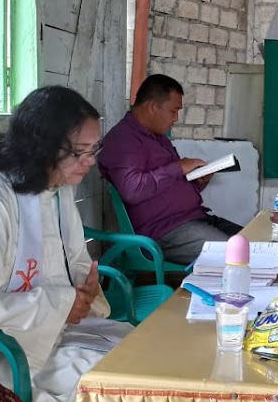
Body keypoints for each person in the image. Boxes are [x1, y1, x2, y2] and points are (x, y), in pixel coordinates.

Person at [0, 86, 132, 402]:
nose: (90, 162)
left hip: (49, 334)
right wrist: (61, 304)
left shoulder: (54, 192)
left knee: (139, 366)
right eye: (81, 151)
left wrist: (87, 289)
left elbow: (73, 264)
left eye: (95, 150)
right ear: (42, 145)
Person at [97, 73, 241, 267]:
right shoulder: (123, 140)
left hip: (195, 218)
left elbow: (167, 184)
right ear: (153, 107)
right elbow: (132, 190)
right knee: (236, 255)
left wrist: (198, 183)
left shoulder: (158, 138)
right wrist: (178, 167)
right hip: (165, 230)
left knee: (255, 242)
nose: (175, 119)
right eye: (173, 111)